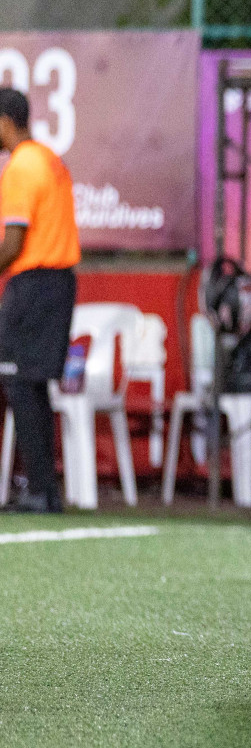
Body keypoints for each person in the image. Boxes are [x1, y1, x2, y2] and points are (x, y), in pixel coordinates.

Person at [0, 90, 79, 514]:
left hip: (33, 283)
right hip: (58, 282)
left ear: (5, 122)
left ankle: (38, 491)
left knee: (18, 382)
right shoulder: (48, 158)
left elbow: (12, 243)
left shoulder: (21, 167)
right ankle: (45, 490)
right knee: (31, 385)